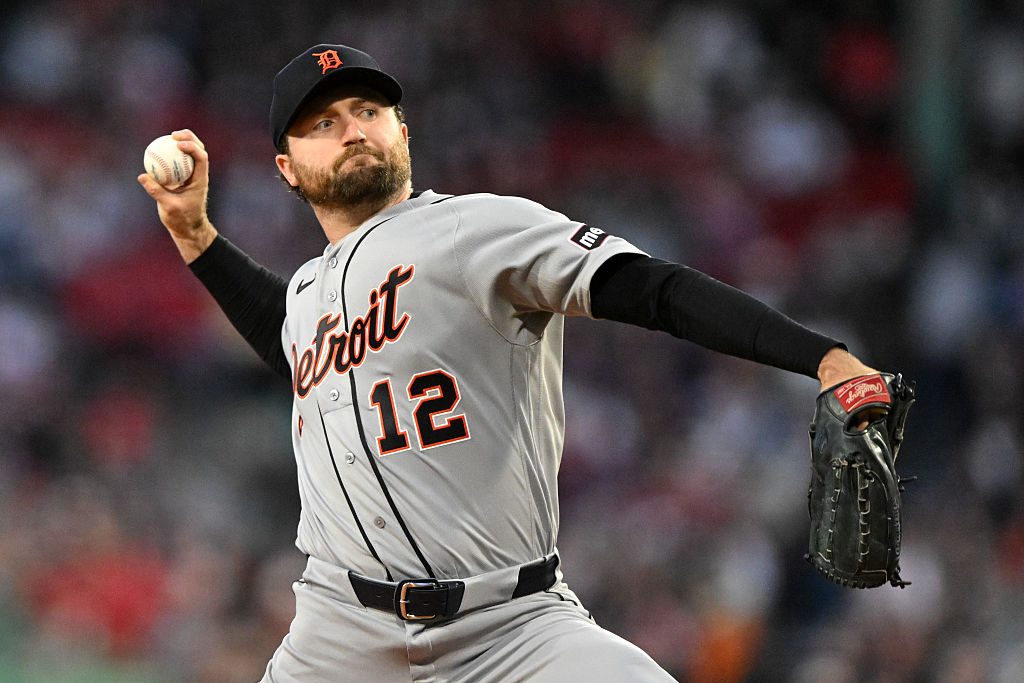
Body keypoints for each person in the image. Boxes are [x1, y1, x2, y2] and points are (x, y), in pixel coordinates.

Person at [138, 43, 880, 682]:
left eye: (368, 110)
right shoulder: (308, 291)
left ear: (402, 130)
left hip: (512, 624)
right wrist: (196, 235)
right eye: (323, 123)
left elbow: (650, 289)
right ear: (287, 169)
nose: (354, 129)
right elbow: (288, 339)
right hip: (340, 635)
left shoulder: (476, 228)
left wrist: (818, 355)